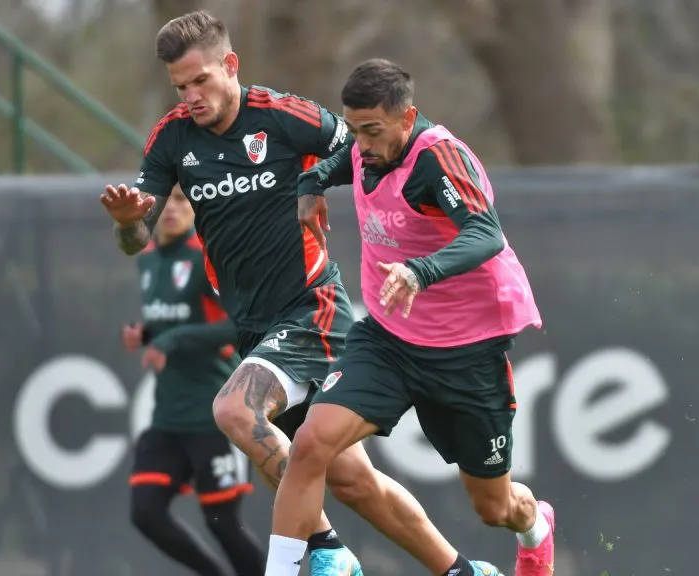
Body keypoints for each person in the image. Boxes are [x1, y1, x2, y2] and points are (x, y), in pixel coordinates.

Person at [100, 11, 501, 576]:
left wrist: (318, 182)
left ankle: (326, 550)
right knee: (351, 479)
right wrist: (125, 223)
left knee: (235, 411)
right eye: (181, 86)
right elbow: (136, 235)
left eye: (201, 81)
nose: (191, 96)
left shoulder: (283, 116)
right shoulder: (172, 138)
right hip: (253, 326)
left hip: (313, 306)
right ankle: (461, 570)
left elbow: (373, 144)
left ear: (230, 65)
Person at [269, 58, 556, 576]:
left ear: (408, 117)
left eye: (372, 131)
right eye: (353, 130)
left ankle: (536, 527)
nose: (361, 144)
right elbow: (338, 164)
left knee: (494, 508)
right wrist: (309, 185)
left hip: (464, 355)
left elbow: (486, 234)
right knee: (311, 442)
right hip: (387, 341)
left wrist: (422, 271)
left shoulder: (438, 160)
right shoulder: (364, 147)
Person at [123, 184, 264, 576]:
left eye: (183, 200)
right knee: (145, 512)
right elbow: (175, 320)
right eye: (164, 201)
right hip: (168, 416)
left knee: (223, 523)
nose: (172, 209)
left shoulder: (208, 257)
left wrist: (171, 338)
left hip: (213, 414)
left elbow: (241, 327)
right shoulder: (148, 259)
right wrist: (147, 334)